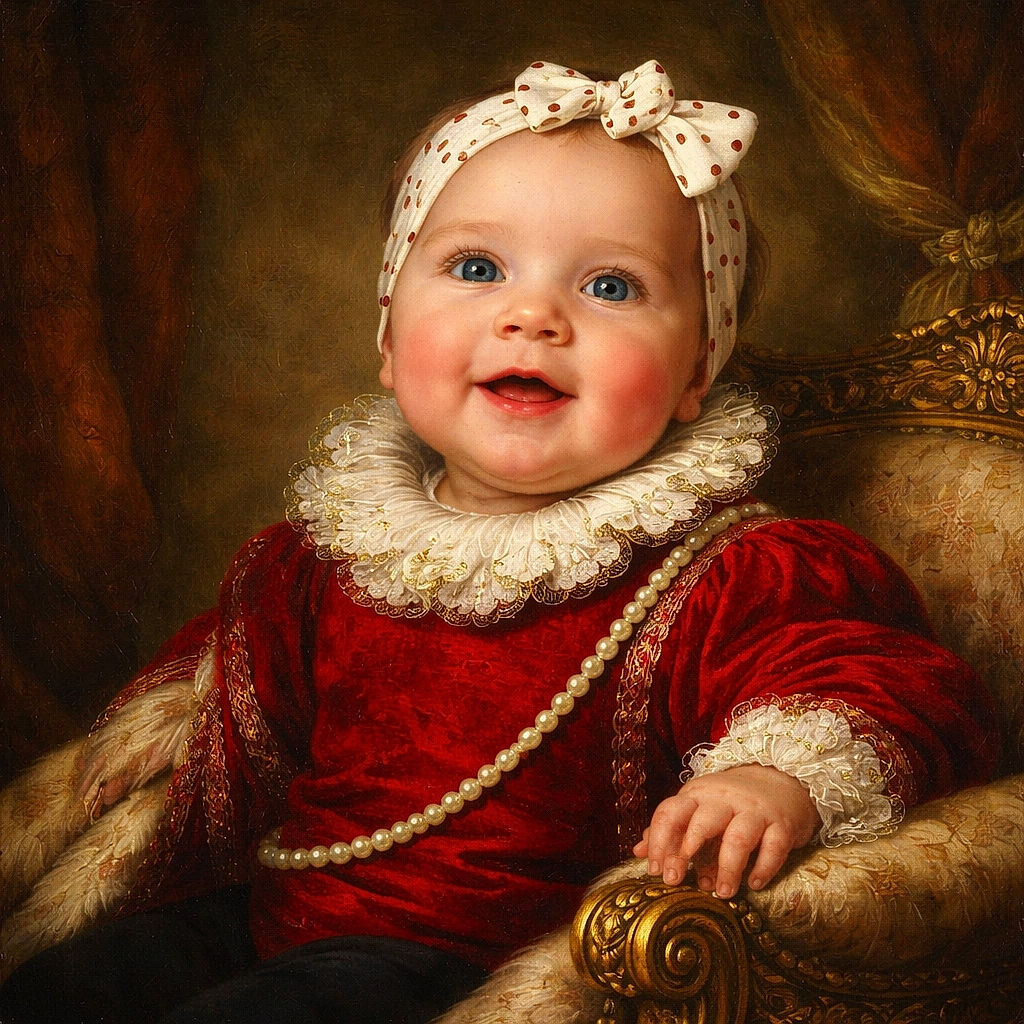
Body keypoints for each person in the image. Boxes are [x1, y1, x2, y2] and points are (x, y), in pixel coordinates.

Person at [0, 59, 997, 1024]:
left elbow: (883, 682)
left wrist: (771, 775)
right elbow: (250, 678)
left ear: (697, 371)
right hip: (271, 917)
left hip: (485, 969)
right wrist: (188, 707)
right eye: (476, 269)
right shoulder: (321, 554)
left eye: (609, 287)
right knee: (68, 987)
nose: (532, 316)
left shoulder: (729, 569)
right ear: (390, 341)